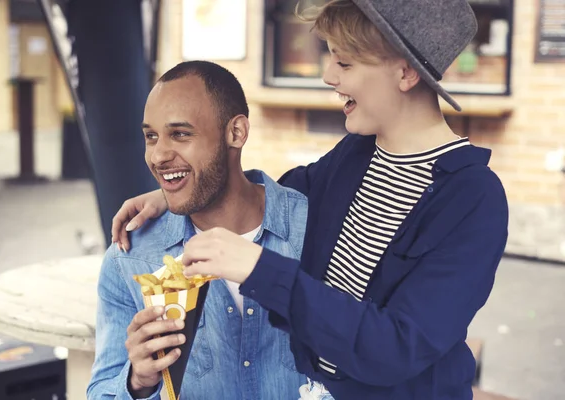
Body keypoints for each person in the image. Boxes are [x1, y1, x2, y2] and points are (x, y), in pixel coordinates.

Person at [111, 1, 509, 399]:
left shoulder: (474, 198)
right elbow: (277, 193)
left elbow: (396, 347)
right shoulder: (356, 153)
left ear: (405, 72)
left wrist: (259, 269)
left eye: (346, 63)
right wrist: (177, 191)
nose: (327, 76)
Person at [87, 60, 308, 400]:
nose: (158, 155)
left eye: (180, 134)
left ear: (236, 132)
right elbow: (102, 392)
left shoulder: (314, 230)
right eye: (151, 136)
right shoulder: (130, 257)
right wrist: (138, 382)